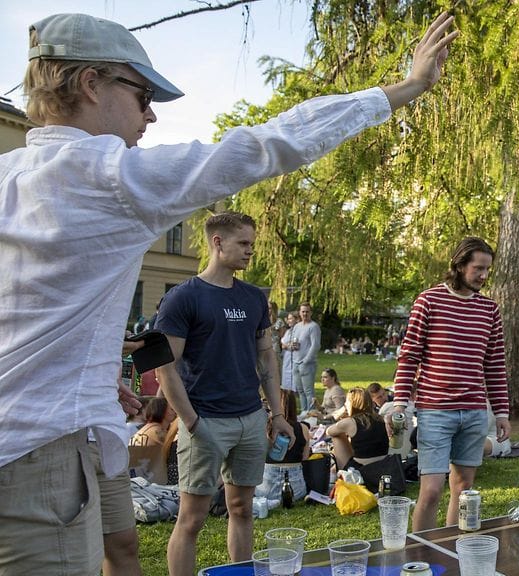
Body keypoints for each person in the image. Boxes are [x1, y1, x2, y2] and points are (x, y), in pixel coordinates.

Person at [0, 11, 457, 573]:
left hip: (63, 432)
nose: (149, 114)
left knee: (121, 553)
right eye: (141, 94)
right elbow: (267, 145)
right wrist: (403, 90)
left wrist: (89, 376)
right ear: (91, 83)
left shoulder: (10, 173)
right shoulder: (109, 176)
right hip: (41, 451)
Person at [155, 212, 296, 575]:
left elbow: (266, 355)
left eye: (252, 243)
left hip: (250, 418)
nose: (250, 252)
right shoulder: (182, 298)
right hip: (205, 421)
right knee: (191, 519)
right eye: (243, 244)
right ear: (217, 243)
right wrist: (191, 421)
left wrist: (277, 414)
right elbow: (164, 366)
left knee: (243, 509)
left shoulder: (252, 298)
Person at [392, 237, 511, 531]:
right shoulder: (428, 301)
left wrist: (502, 412)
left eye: (487, 270)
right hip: (435, 412)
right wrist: (400, 403)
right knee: (431, 491)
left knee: (463, 490)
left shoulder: (489, 310)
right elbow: (408, 357)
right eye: (478, 268)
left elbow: (495, 365)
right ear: (459, 266)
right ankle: (420, 559)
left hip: (473, 412)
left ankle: (452, 556)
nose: (484, 276)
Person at [255, 391, 311, 501]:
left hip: (266, 488)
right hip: (296, 490)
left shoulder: (265, 427)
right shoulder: (303, 428)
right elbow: (305, 458)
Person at [327, 388, 390, 470]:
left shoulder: (350, 422)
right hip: (384, 465)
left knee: (337, 436)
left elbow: (329, 431)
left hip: (361, 470)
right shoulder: (380, 418)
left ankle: (340, 471)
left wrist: (340, 414)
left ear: (350, 403)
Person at [291, 302, 322, 413]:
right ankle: (304, 412)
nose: (305, 314)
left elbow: (315, 345)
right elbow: (293, 341)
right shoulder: (297, 326)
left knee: (309, 391)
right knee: (300, 391)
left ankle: (311, 414)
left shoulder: (313, 327)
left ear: (311, 313)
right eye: (303, 311)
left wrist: (306, 361)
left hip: (307, 363)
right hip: (295, 362)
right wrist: (292, 345)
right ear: (299, 313)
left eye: (307, 311)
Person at [280, 311, 298, 392]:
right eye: (288, 319)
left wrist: (287, 345)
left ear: (296, 319)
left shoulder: (299, 330)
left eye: (291, 319)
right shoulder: (288, 331)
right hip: (287, 357)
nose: (289, 321)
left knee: (295, 375)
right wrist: (288, 345)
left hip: (296, 356)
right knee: (286, 374)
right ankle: (288, 390)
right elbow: (283, 345)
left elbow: (296, 345)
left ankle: (294, 391)